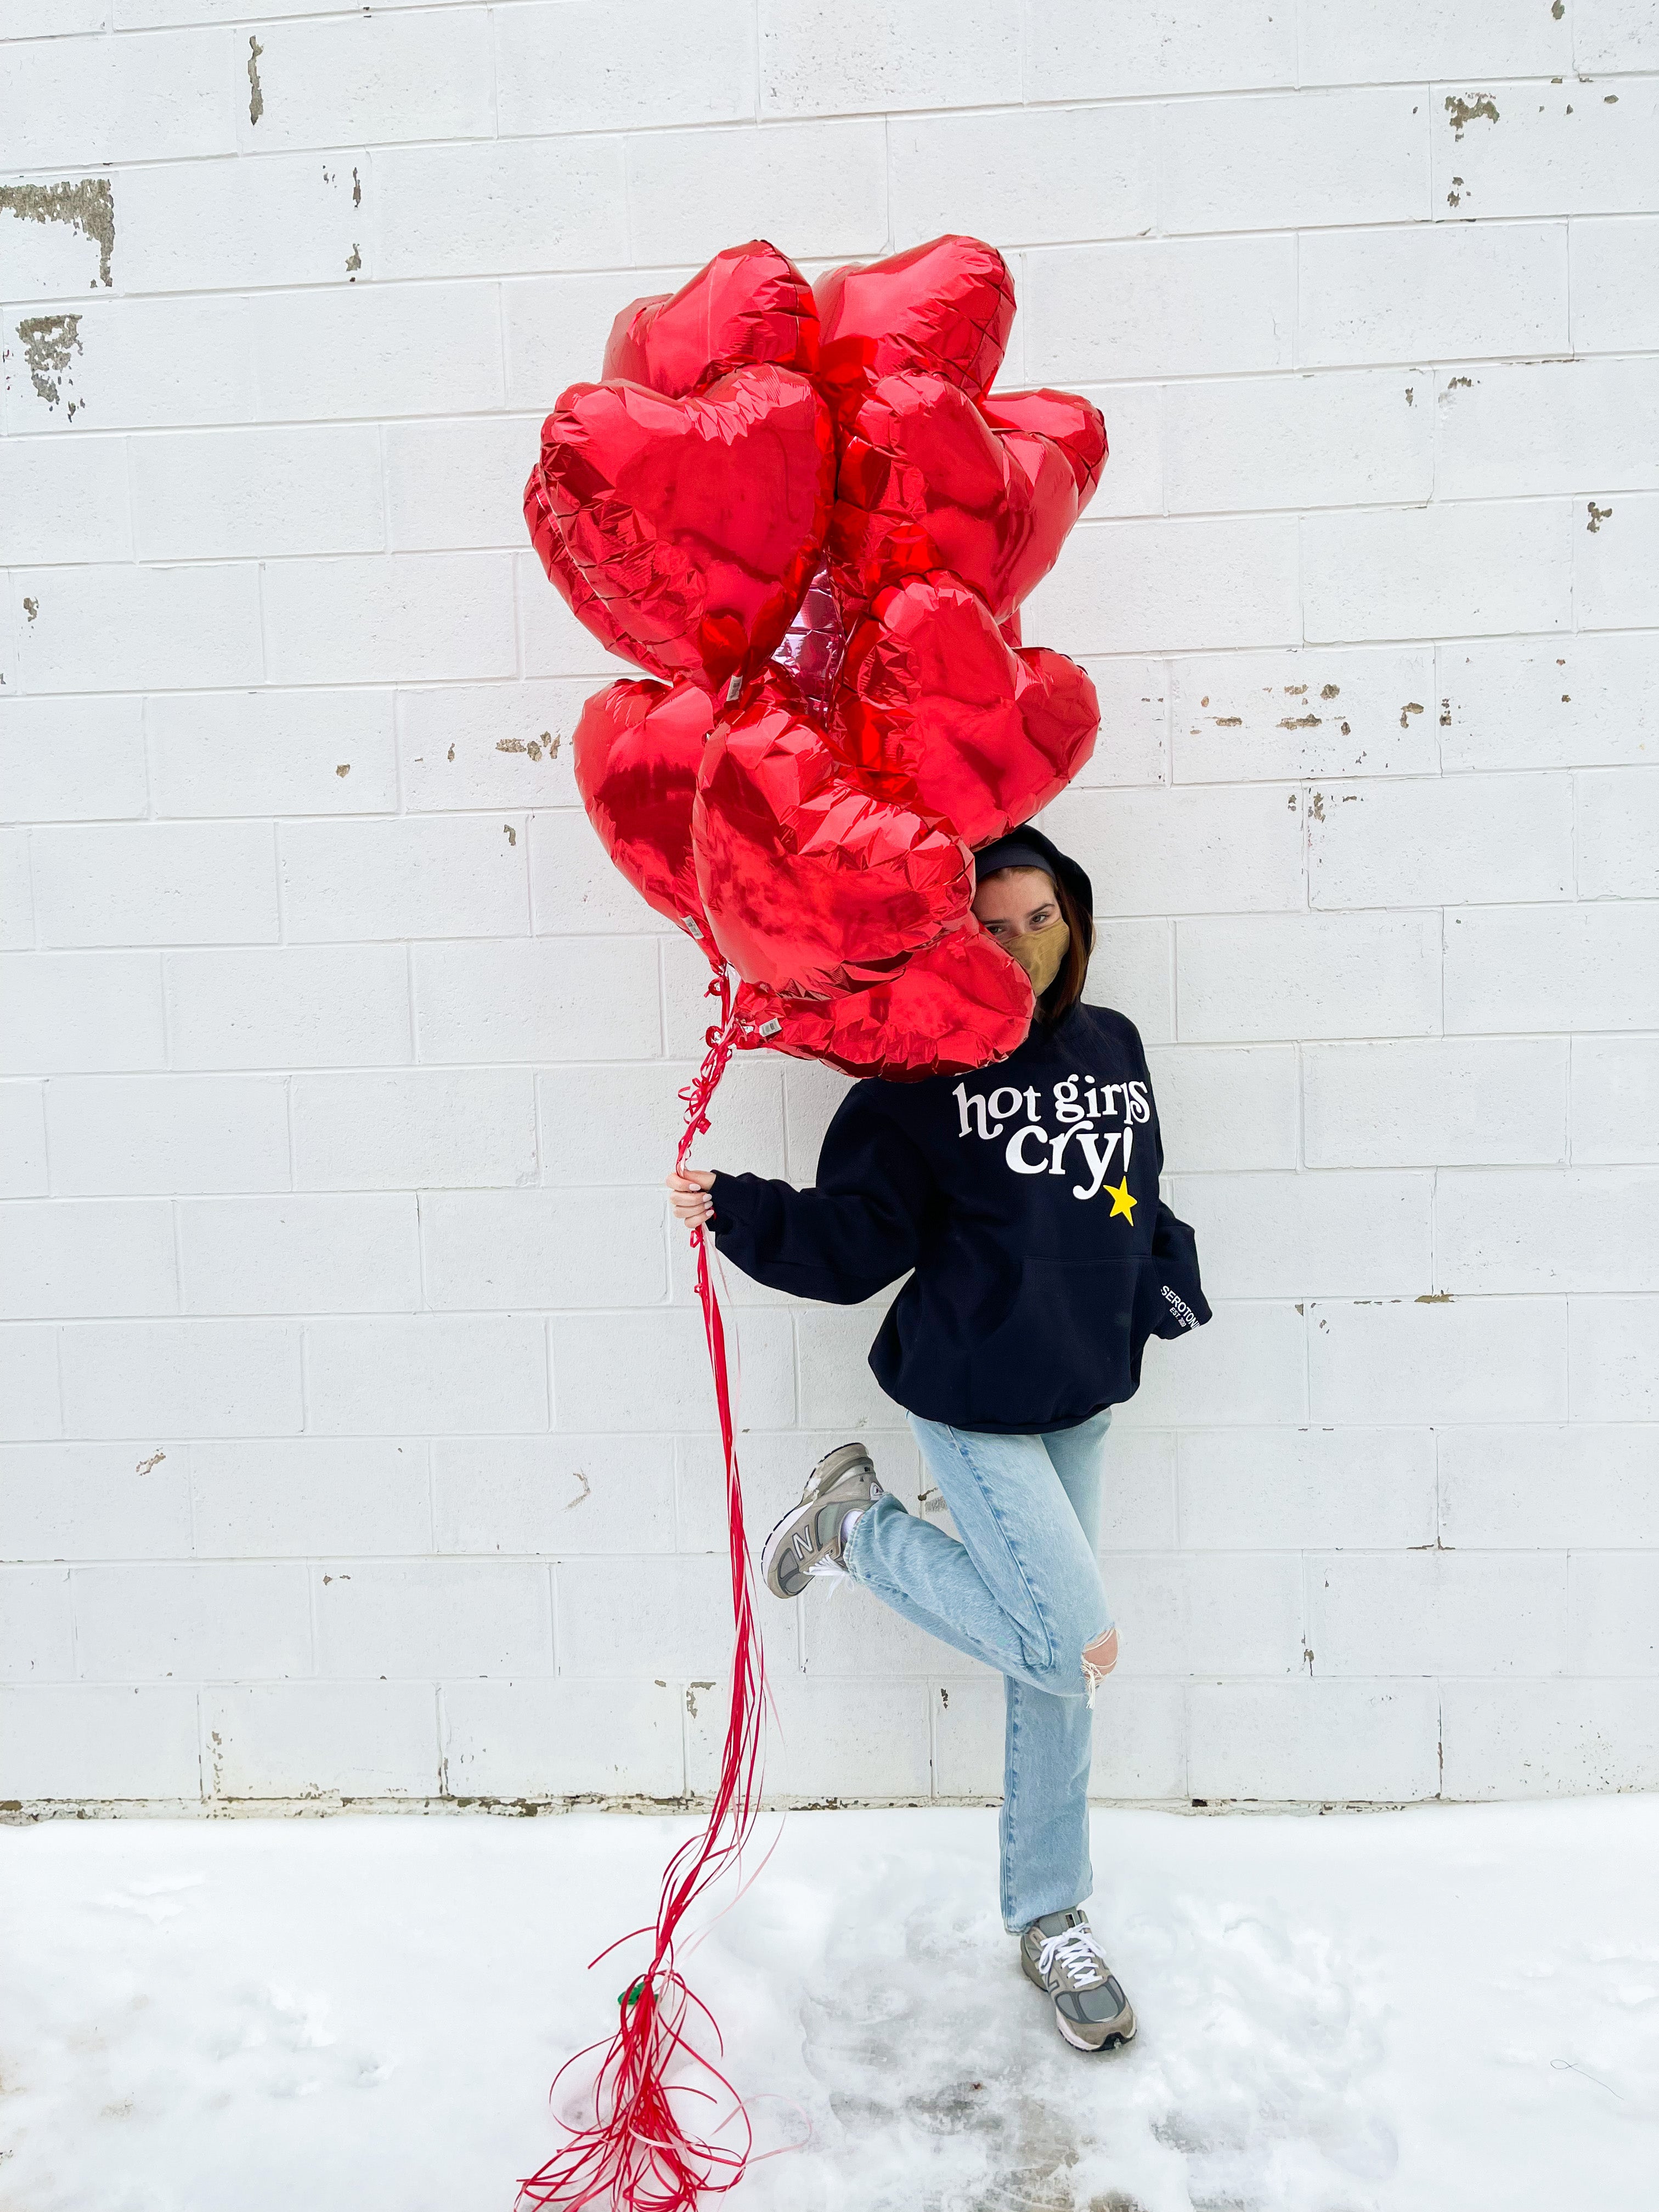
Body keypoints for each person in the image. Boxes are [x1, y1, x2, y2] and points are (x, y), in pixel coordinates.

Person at [667, 825, 1209, 2053]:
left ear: (1073, 917)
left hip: (1083, 1385)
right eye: (993, 926)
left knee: (1050, 1669)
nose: (1022, 949)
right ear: (948, 939)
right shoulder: (911, 1085)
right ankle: (855, 1530)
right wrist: (742, 1209)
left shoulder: (1112, 1044)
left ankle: (1047, 1916)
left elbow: (1139, 1192)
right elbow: (860, 1242)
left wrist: (1160, 1287)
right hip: (969, 1393)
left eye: (1041, 919)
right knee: (1077, 1649)